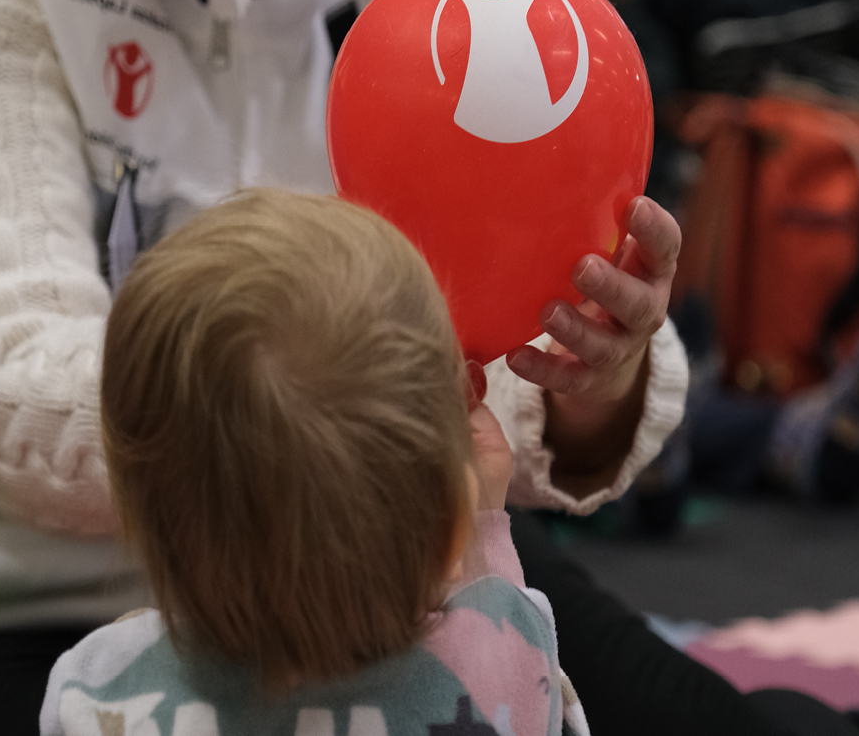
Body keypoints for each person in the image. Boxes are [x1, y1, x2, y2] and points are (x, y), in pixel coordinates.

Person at [0, 0, 688, 732]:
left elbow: (547, 347)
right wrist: (356, 431)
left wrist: (590, 376)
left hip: (412, 570)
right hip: (37, 601)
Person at [44, 188, 587, 736]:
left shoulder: (100, 689)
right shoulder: (503, 673)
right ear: (448, 536)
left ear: (135, 510)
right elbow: (495, 626)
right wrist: (483, 525)